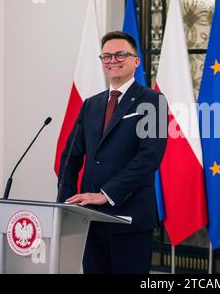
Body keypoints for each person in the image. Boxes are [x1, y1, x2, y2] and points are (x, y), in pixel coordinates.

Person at [57, 31, 167, 274]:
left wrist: (106, 194)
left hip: (129, 219)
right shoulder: (91, 104)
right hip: (90, 219)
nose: (112, 60)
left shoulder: (154, 101)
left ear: (136, 61)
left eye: (120, 54)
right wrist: (64, 205)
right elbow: (71, 156)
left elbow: (149, 158)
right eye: (106, 55)